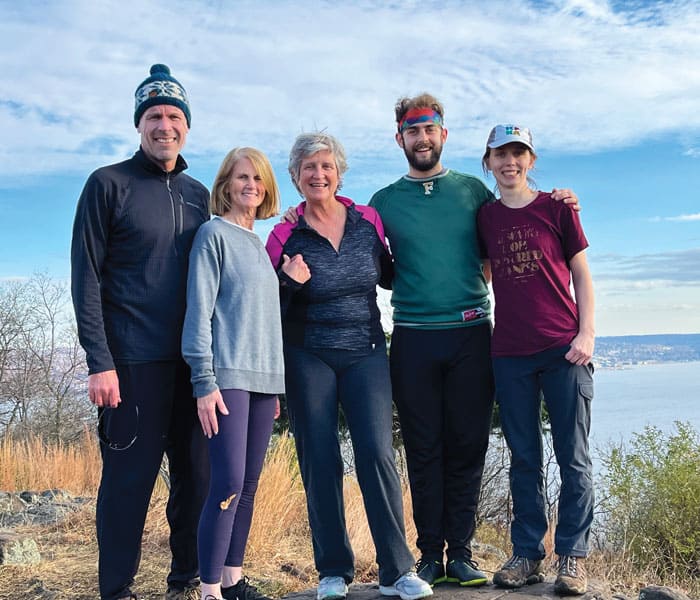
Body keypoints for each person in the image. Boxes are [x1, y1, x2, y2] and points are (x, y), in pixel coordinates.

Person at [368, 94, 580, 588]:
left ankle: (460, 555)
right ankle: (427, 556)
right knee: (422, 448)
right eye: (412, 131)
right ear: (399, 138)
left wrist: (561, 199)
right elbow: (372, 264)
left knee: (467, 446)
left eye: (430, 129)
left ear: (444, 134)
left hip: (470, 336)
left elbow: (511, 229)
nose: (422, 139)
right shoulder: (383, 202)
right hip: (413, 338)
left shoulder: (472, 193)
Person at [266, 132, 433, 600]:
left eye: (325, 166)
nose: (318, 174)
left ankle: (397, 570)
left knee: (377, 454)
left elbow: (391, 273)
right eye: (308, 168)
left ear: (338, 172)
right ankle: (333, 571)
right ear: (296, 178)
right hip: (308, 354)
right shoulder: (285, 233)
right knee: (319, 458)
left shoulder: (367, 220)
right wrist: (287, 280)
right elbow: (266, 305)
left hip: (365, 350)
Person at [71, 64, 209, 600]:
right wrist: (98, 361)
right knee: (128, 485)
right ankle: (117, 590)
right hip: (129, 365)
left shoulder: (200, 194)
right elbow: (86, 275)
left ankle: (187, 582)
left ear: (187, 126)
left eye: (175, 115)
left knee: (195, 483)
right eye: (154, 115)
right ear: (139, 123)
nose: (164, 125)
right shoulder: (108, 184)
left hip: (196, 367)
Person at [477, 125, 594, 595]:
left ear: (531, 160)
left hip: (564, 348)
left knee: (574, 459)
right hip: (509, 353)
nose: (510, 162)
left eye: (518, 153)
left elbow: (582, 275)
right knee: (524, 458)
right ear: (488, 162)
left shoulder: (557, 208)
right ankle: (527, 554)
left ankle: (573, 558)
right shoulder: (485, 217)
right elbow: (485, 274)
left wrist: (587, 333)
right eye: (501, 154)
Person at [182, 147, 285, 600]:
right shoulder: (213, 234)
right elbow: (199, 311)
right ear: (225, 184)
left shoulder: (260, 245)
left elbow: (261, 319)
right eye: (242, 177)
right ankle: (208, 590)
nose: (251, 186)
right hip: (226, 379)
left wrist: (274, 384)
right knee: (224, 483)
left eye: (258, 179)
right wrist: (204, 383)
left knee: (247, 486)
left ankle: (233, 579)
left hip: (263, 382)